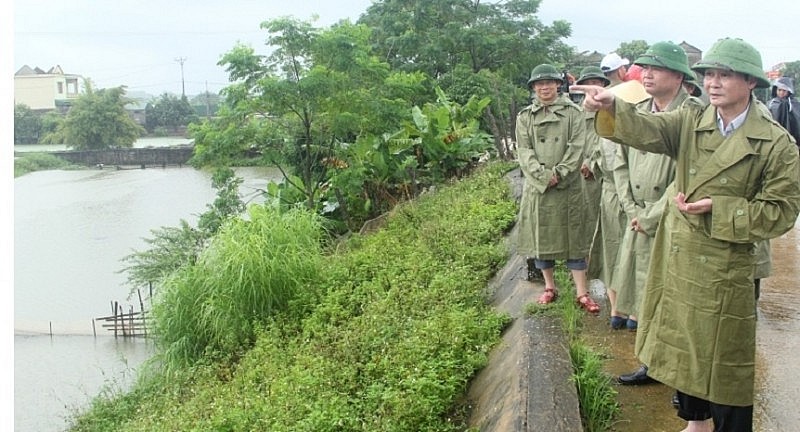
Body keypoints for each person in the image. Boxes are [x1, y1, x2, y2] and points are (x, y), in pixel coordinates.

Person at [573, 37, 800, 432]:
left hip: (728, 264)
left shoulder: (776, 143)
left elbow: (782, 212)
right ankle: (696, 423)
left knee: (726, 359)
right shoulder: (692, 120)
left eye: (724, 75)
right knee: (684, 344)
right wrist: (612, 106)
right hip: (682, 253)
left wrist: (722, 209)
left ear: (750, 83)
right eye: (709, 74)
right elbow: (645, 127)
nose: (712, 82)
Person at [614, 41, 702, 335]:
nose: (647, 74)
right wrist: (631, 209)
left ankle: (665, 367)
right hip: (637, 215)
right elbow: (620, 163)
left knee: (672, 296)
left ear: (679, 76)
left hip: (670, 218)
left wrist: (650, 215)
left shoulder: (695, 116)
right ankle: (649, 361)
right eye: (645, 68)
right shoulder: (637, 111)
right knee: (642, 292)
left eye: (657, 69)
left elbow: (690, 176)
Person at [515, 63, 599, 314]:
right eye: (539, 84)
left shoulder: (573, 113)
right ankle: (549, 287)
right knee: (543, 240)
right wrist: (542, 176)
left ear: (558, 85)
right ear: (533, 88)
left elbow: (577, 146)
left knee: (574, 241)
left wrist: (559, 173)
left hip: (568, 186)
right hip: (539, 188)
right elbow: (524, 150)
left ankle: (582, 293)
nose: (544, 87)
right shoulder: (525, 117)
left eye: (549, 83)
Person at [576, 66, 611, 277]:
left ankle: (607, 268)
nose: (593, 87)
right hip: (582, 176)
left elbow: (609, 140)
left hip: (606, 173)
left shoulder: (611, 109)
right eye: (589, 83)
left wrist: (591, 161)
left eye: (597, 83)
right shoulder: (578, 113)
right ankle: (589, 267)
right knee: (587, 221)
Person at [767, 76, 800, 146]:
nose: (781, 93)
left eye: (784, 91)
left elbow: (797, 121)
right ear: (776, 90)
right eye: (779, 90)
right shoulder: (772, 103)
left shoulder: (793, 103)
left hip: (791, 136)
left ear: (789, 91)